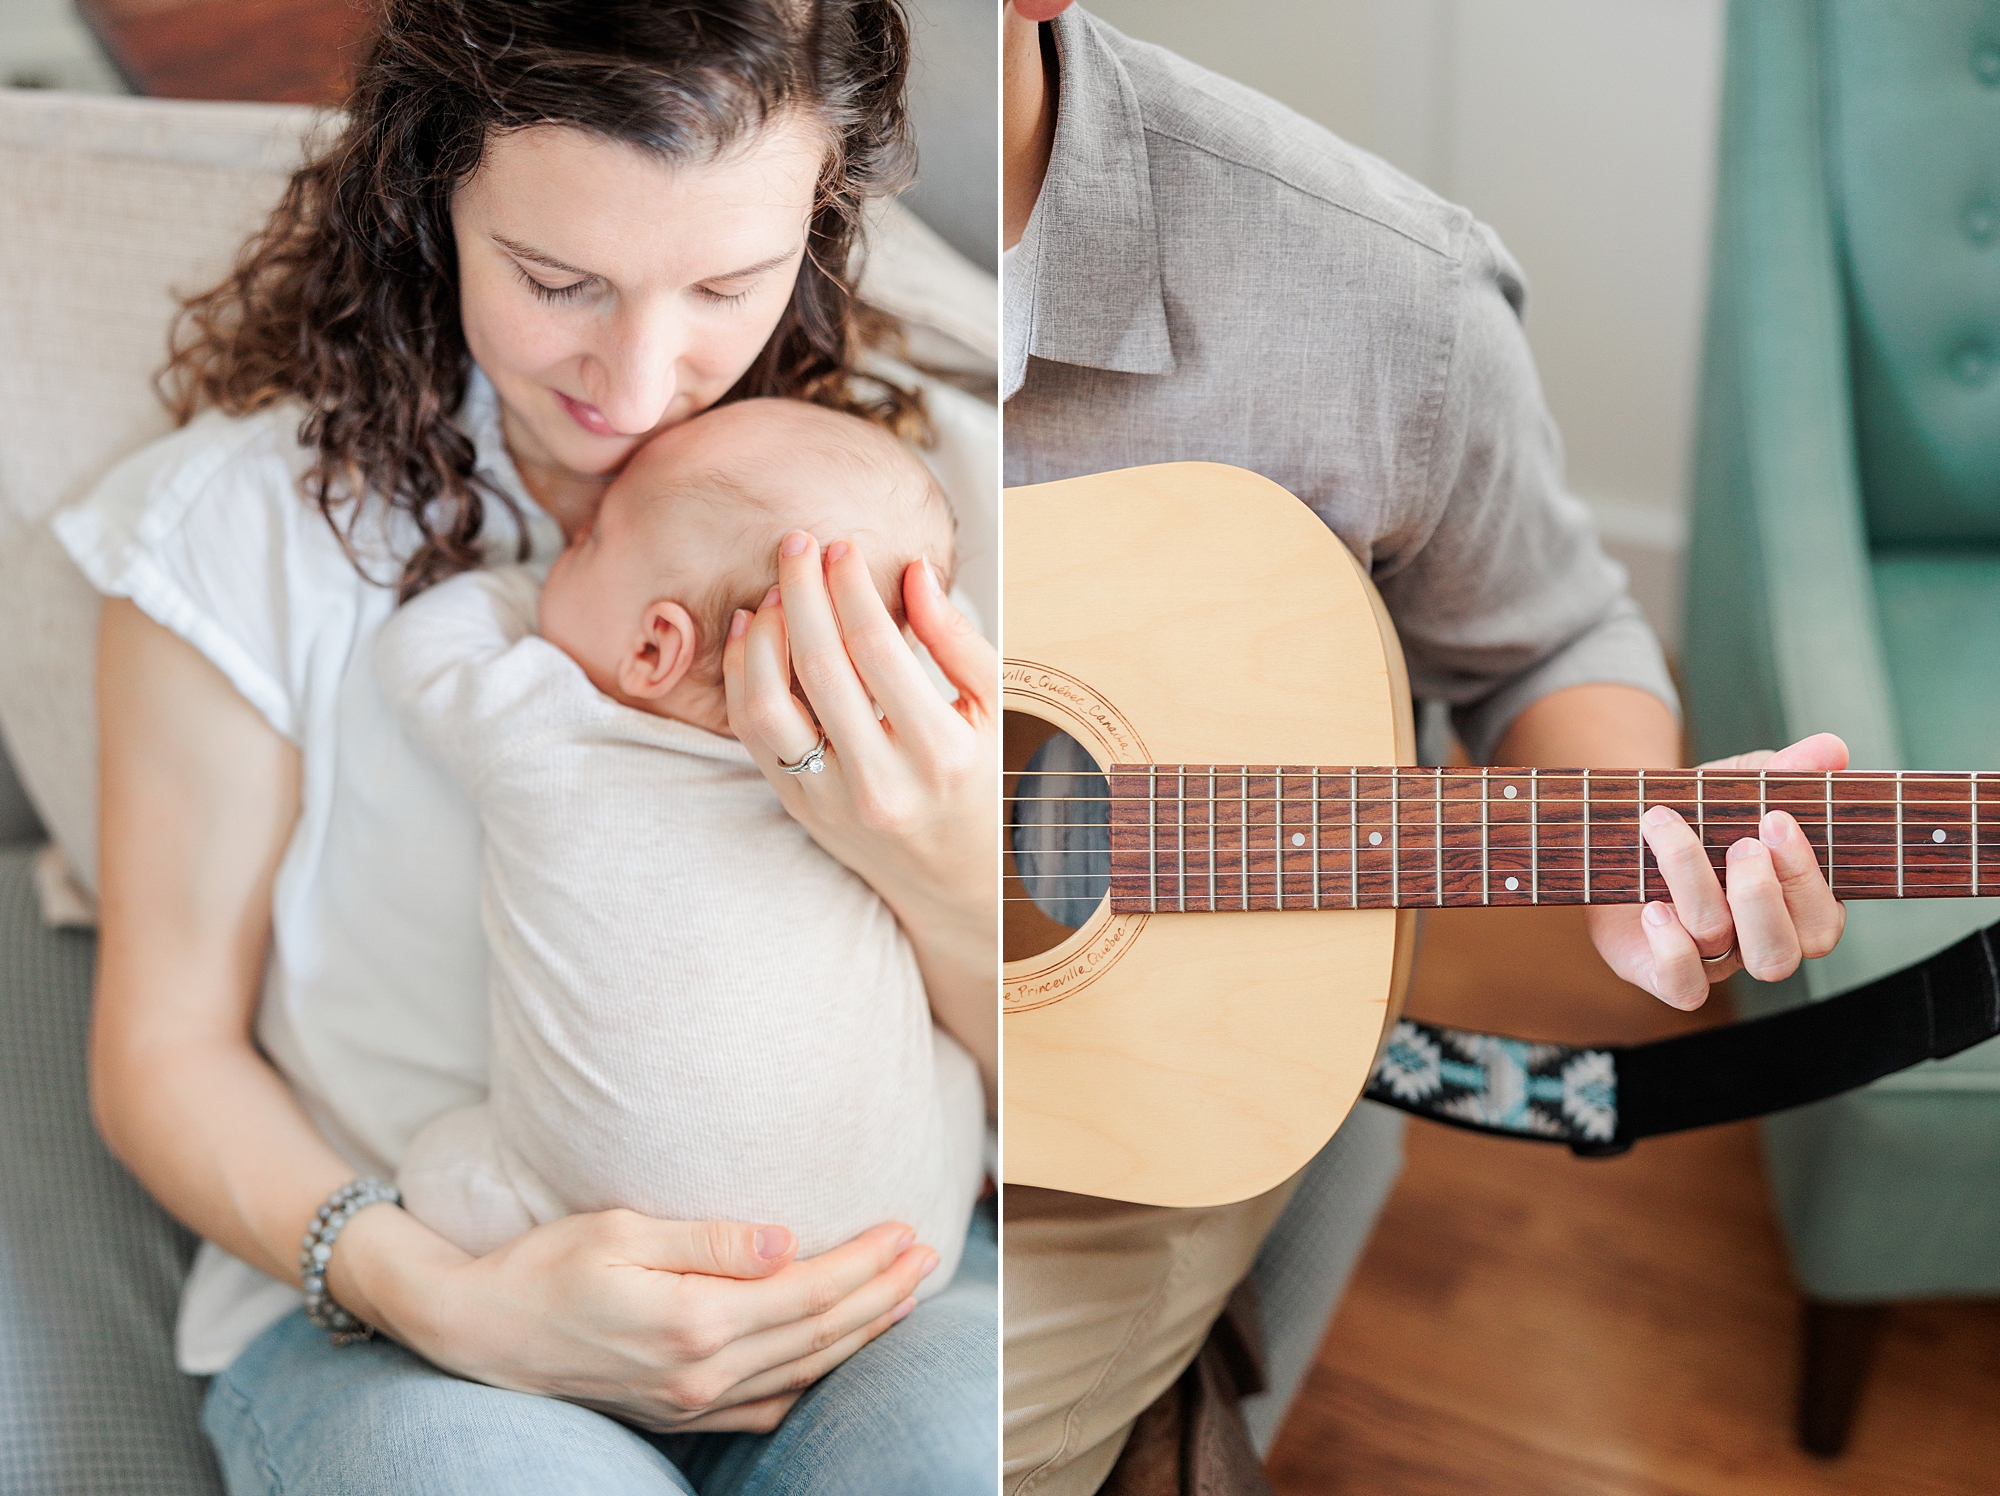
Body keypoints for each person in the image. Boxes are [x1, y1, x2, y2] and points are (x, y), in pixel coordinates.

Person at [55, 3, 997, 1492]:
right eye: (559, 281)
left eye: (727, 284)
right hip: (407, 1315)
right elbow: (161, 1053)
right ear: (431, 194)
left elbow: (1063, 1075)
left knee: (957, 1451)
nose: (631, 386)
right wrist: (450, 1298)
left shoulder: (912, 514)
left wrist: (944, 874)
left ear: (818, 223)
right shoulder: (239, 541)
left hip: (861, 1281)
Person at [998, 5, 1849, 1493]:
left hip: (1110, 1125)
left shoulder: (1379, 293)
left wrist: (1637, 854)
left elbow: (1552, 641)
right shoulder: (590, 197)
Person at [381, 399, 985, 1285]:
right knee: (943, 1075)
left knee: (434, 1169)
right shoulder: (870, 781)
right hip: (896, 1251)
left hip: (604, 1244)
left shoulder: (547, 733)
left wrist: (526, 590)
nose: (572, 534)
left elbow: (420, 650)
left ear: (656, 646)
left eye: (588, 540)